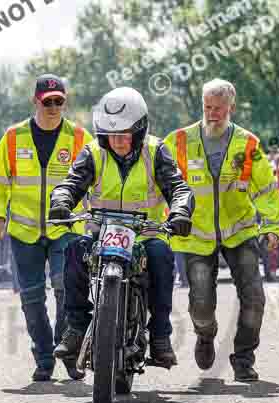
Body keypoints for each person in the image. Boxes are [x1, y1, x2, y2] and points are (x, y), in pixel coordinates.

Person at [50, 87, 194, 370]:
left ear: (139, 131)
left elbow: (179, 187)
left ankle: (161, 337)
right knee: (73, 251)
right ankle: (76, 328)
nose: (116, 140)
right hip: (100, 233)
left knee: (162, 257)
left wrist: (180, 211)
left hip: (145, 234)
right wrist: (62, 201)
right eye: (110, 134)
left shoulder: (156, 151)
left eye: (124, 133)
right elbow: (71, 182)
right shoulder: (93, 152)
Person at [161, 79, 279, 381]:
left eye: (218, 108)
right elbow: (158, 185)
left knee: (254, 297)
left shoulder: (248, 144)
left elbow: (266, 189)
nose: (212, 113)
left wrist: (271, 227)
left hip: (239, 232)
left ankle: (243, 358)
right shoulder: (177, 142)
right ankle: (205, 334)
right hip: (195, 234)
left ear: (231, 107)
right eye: (207, 107)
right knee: (201, 302)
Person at [0, 74, 94, 382]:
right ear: (35, 101)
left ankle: (69, 351)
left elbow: (95, 178)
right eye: (47, 101)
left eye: (58, 101)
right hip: (24, 232)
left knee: (66, 290)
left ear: (65, 102)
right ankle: (44, 357)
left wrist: (97, 215)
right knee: (32, 297)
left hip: (67, 229)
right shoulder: (13, 137)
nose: (53, 107)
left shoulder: (79, 138)